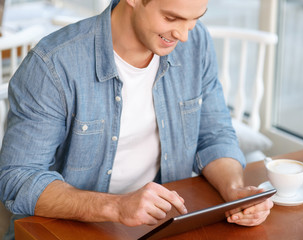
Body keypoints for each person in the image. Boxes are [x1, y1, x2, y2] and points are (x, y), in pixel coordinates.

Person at [0, 0, 273, 237]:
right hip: (68, 228)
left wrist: (235, 192)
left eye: (195, 18)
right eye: (170, 17)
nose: (183, 35)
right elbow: (17, 179)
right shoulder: (53, 64)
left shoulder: (196, 42)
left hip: (160, 225)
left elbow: (214, 134)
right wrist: (116, 206)